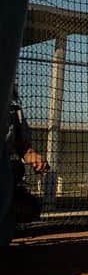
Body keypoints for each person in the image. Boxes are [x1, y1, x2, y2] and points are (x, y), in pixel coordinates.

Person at [5, 80, 49, 225]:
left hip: (5, 172)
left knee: (31, 207)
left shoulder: (12, 106)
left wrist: (33, 157)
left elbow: (23, 147)